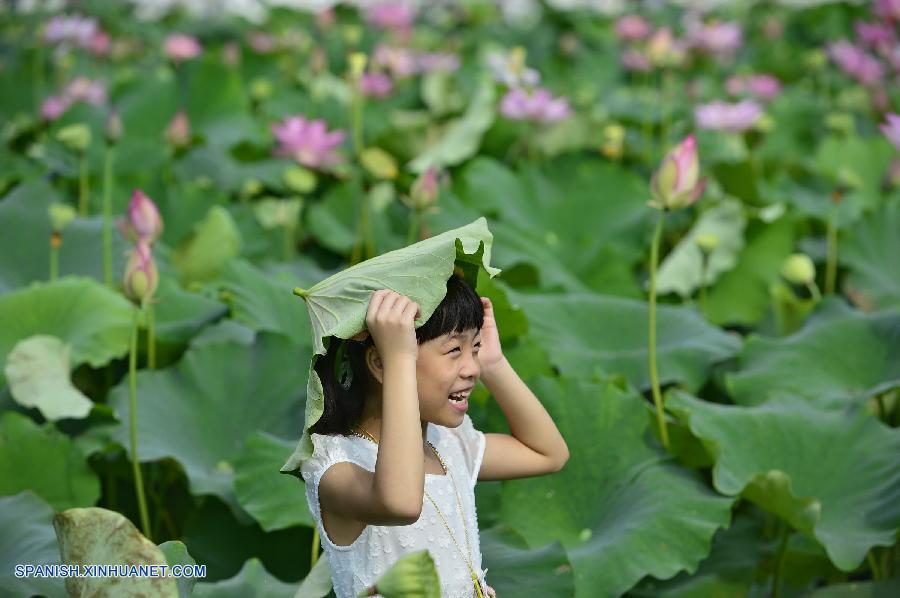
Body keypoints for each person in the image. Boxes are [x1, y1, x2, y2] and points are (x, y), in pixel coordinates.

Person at [301, 273, 569, 598]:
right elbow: (400, 503)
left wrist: (494, 363)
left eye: (475, 348)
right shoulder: (335, 465)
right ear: (380, 364)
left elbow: (548, 453)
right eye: (455, 349)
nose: (472, 369)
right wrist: (398, 358)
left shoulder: (448, 443)